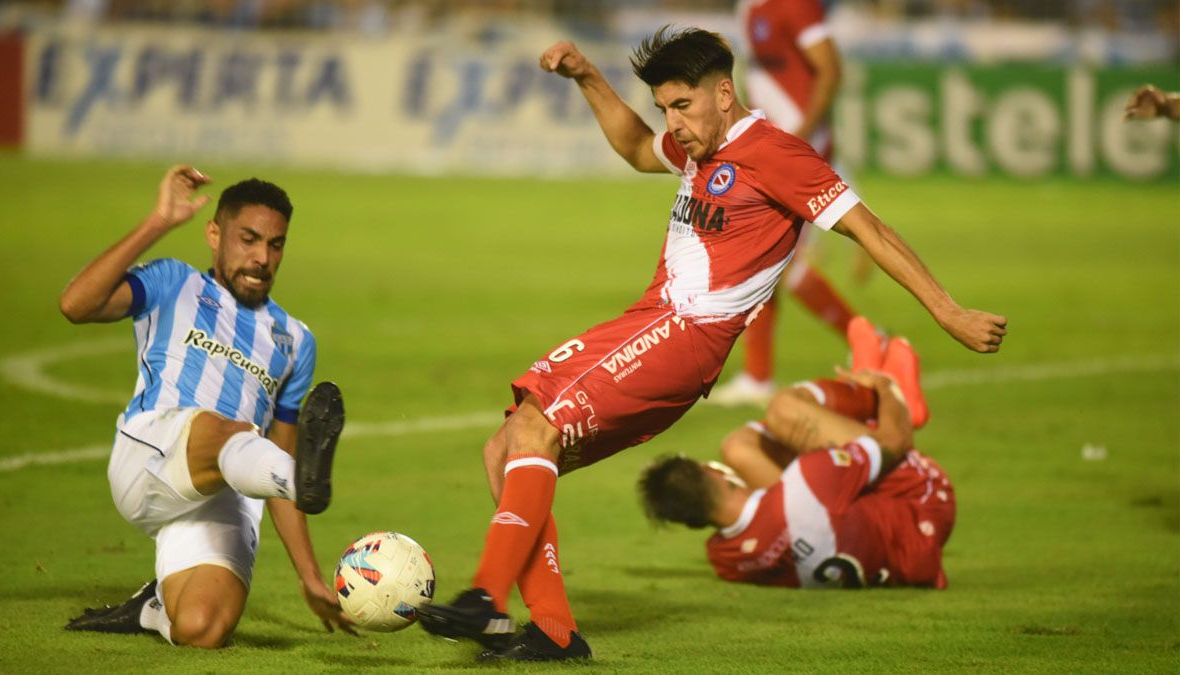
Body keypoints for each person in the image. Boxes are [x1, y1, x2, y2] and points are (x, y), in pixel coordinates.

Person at [417, 27, 1004, 662]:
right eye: (666, 107)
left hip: (684, 335)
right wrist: (588, 74)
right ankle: (554, 631)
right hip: (647, 322)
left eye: (683, 107)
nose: (673, 124)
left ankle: (485, 596)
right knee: (503, 449)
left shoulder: (778, 155)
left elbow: (871, 230)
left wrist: (949, 312)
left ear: (724, 93)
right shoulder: (698, 145)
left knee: (533, 434)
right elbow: (638, 149)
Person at [58, 165, 353, 647]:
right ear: (214, 234)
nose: (262, 257)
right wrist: (158, 221)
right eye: (248, 239)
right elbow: (75, 304)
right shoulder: (175, 283)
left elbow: (283, 445)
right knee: (230, 430)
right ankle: (293, 478)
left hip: (226, 488)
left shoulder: (296, 341)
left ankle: (151, 609)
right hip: (151, 455)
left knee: (203, 628)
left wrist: (310, 576)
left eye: (275, 245)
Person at [638, 325, 954, 589]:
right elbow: (896, 443)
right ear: (716, 472)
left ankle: (858, 390)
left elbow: (779, 514)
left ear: (693, 522)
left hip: (880, 549)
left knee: (739, 446)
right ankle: (874, 395)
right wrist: (887, 390)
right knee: (784, 411)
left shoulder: (726, 559)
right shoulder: (808, 482)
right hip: (922, 504)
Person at [711, 0, 860, 405]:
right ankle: (758, 376)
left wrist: (805, 134)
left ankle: (865, 340)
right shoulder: (750, 8)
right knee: (761, 256)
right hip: (773, 145)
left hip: (796, 146)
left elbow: (830, 67)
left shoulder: (793, 3)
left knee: (783, 261)